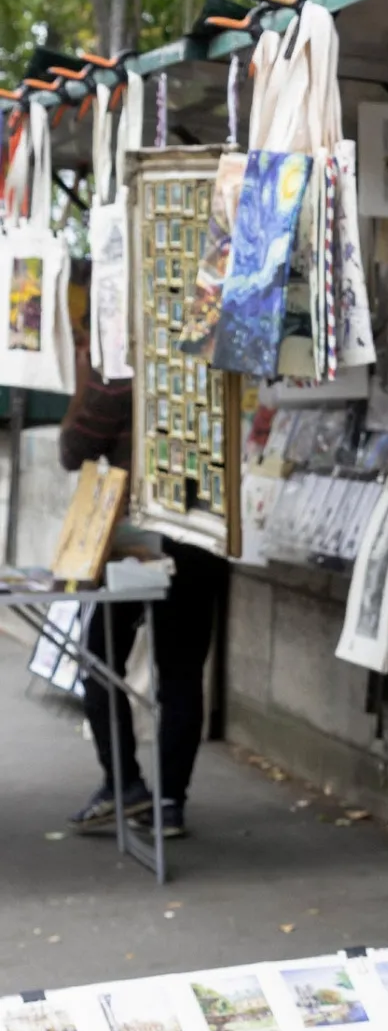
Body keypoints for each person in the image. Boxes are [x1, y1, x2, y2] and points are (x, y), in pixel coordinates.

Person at [58, 312, 225, 839]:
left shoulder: (119, 370)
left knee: (99, 655)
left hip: (136, 538)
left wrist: (87, 377)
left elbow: (73, 448)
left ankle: (126, 784)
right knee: (180, 672)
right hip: (202, 530)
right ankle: (170, 801)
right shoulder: (215, 362)